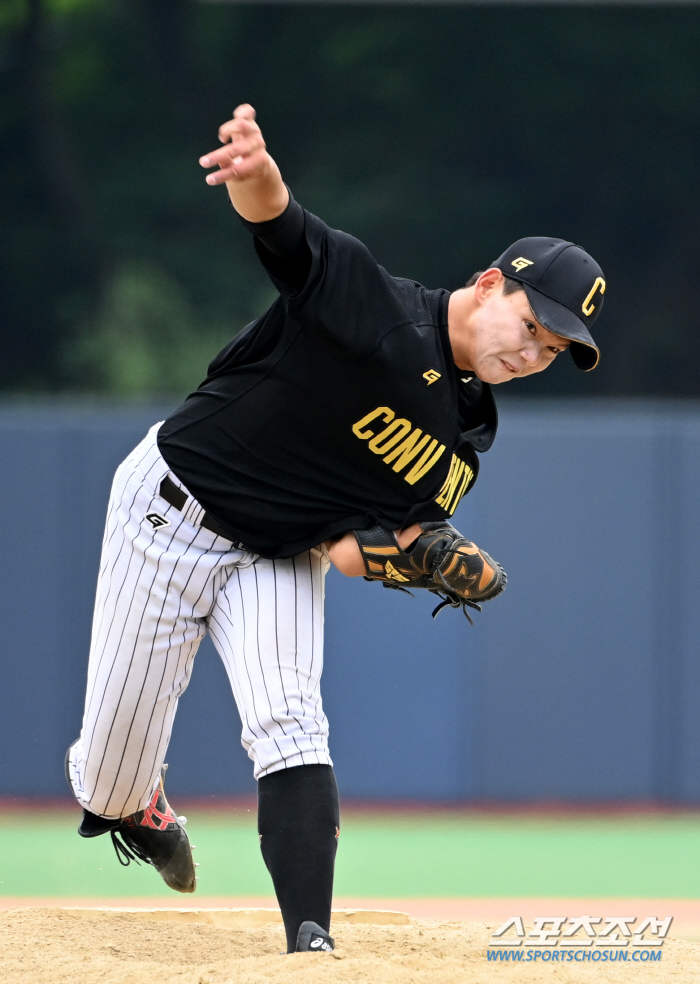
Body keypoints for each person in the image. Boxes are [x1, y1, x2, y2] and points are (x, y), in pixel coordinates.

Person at [66, 104, 606, 954]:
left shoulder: (467, 436)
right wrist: (254, 170)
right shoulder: (372, 302)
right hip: (172, 510)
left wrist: (413, 556)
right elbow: (281, 226)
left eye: (552, 351)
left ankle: (309, 944)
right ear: (493, 281)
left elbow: (354, 550)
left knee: (292, 720)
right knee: (108, 775)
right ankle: (138, 802)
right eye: (533, 327)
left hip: (283, 551)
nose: (533, 354)